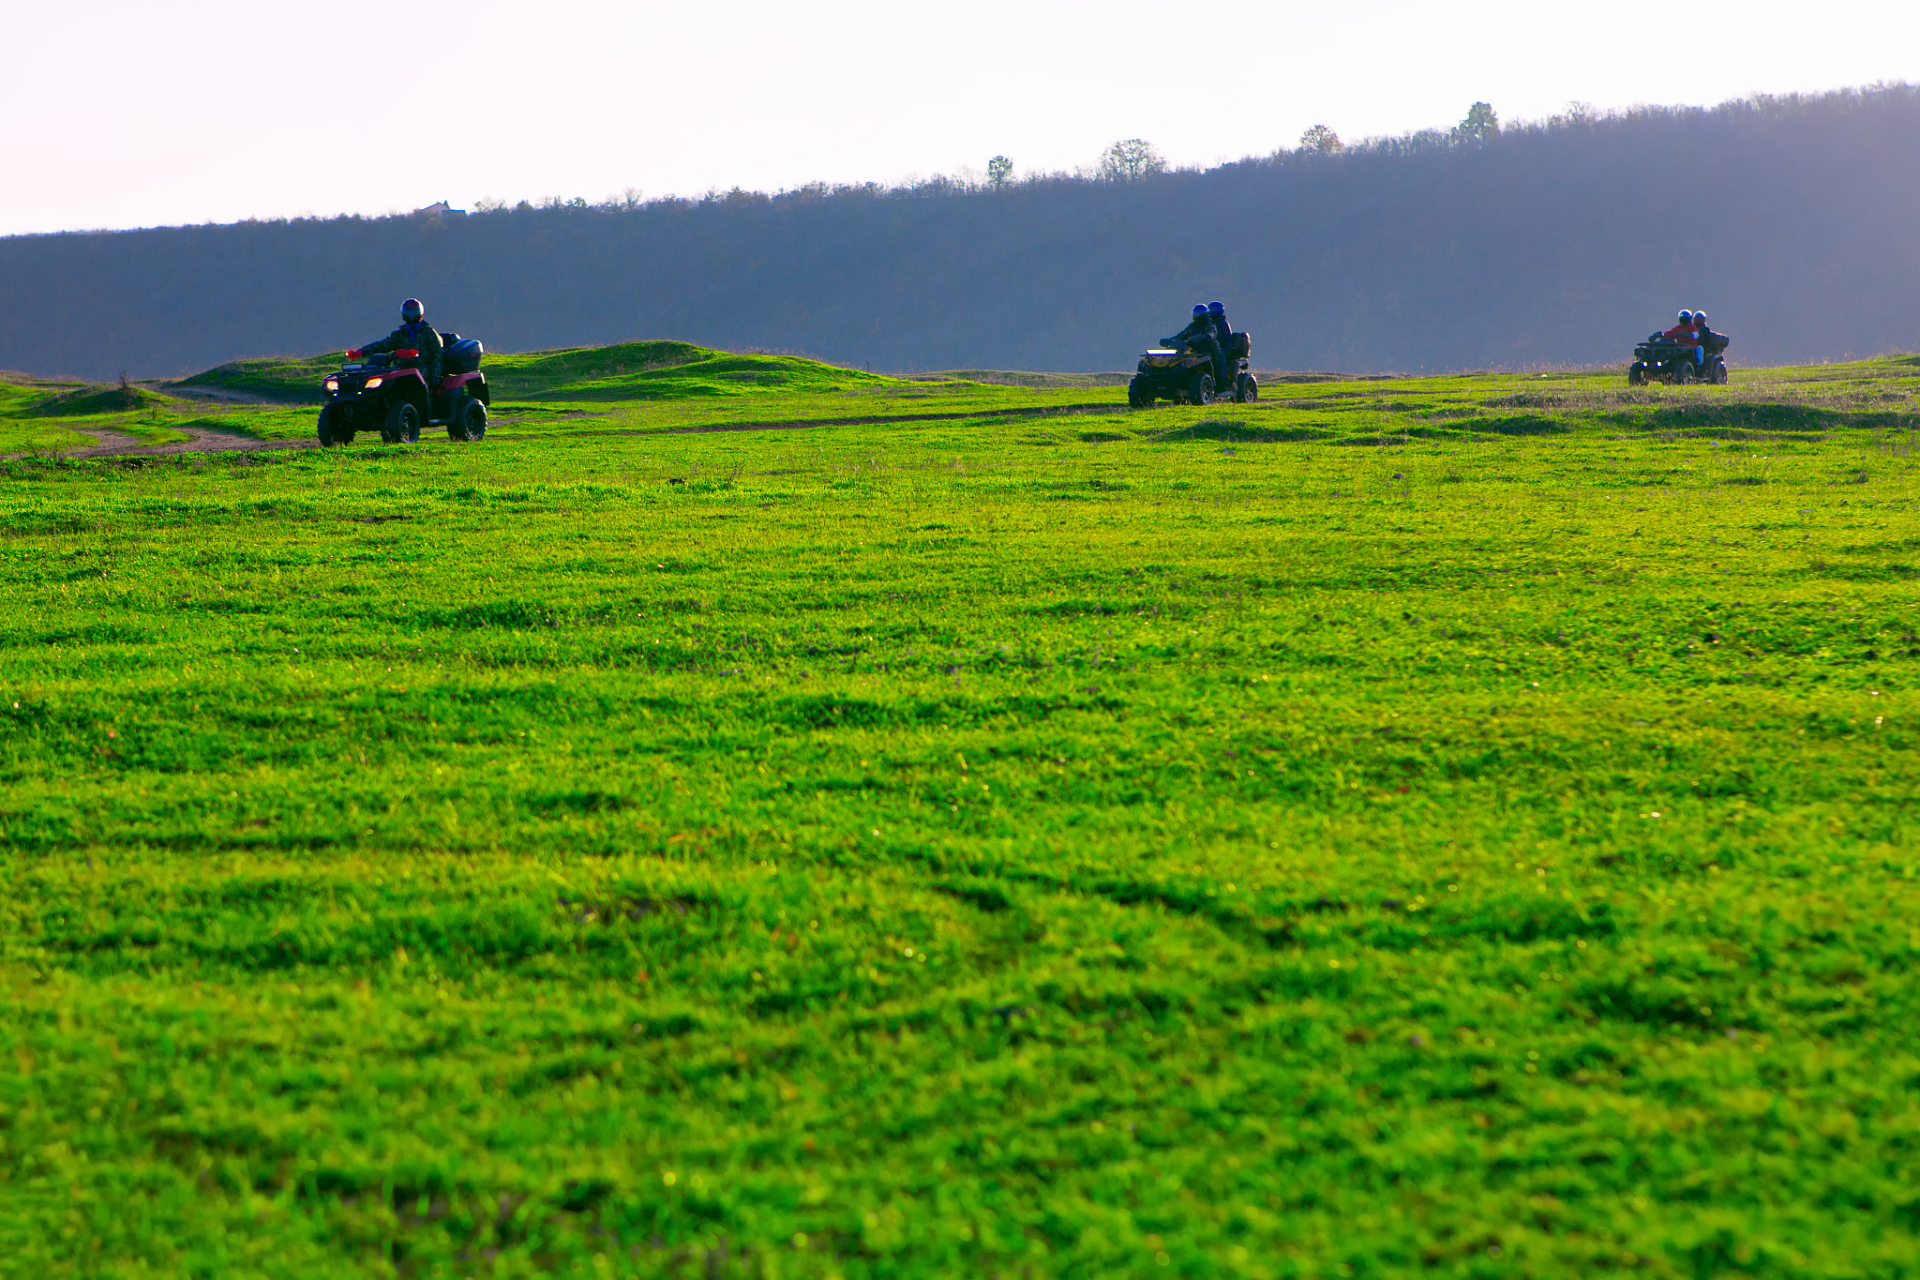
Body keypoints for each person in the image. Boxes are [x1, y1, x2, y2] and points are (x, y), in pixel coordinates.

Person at [355, 298, 444, 388]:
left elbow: (438, 355)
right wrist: (363, 350)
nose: (411, 315)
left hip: (421, 366)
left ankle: (424, 401)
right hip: (400, 367)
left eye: (413, 311)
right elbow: (384, 344)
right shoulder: (400, 333)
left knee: (418, 382)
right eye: (408, 311)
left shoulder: (429, 333)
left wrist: (435, 375)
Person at [1166, 304, 1226, 389]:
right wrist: (1172, 340)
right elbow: (1183, 334)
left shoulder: (1209, 324)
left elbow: (1212, 332)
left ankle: (1217, 383)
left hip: (1208, 350)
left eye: (1198, 314)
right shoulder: (1193, 326)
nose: (1196, 316)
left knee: (1210, 362)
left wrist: (1208, 336)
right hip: (1193, 351)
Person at [1206, 301, 1236, 386]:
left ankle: (1223, 381)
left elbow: (1228, 338)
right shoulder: (1208, 323)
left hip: (1221, 347)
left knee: (1221, 361)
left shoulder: (1223, 323)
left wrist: (1226, 349)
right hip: (1210, 347)